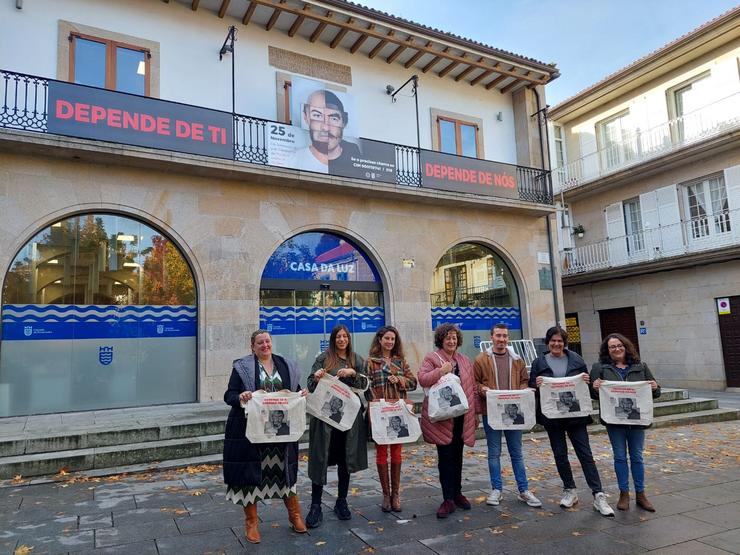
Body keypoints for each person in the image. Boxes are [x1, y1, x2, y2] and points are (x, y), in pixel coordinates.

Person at [222, 329, 308, 544]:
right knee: (250, 477)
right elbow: (229, 395)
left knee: (284, 473)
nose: (265, 345)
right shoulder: (243, 367)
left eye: (267, 341)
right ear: (253, 346)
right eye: (260, 343)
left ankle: (295, 515)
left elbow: (293, 391)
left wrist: (301, 394)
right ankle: (251, 523)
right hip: (252, 434)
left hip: (280, 433)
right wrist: (241, 397)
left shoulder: (285, 365)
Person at [529, 326, 615, 517]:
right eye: (553, 341)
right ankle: (570, 490)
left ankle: (598, 494)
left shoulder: (576, 359)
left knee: (585, 454)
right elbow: (531, 386)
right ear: (547, 342)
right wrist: (536, 384)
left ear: (564, 343)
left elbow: (588, 388)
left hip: (575, 417)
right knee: (560, 454)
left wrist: (586, 380)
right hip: (553, 418)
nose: (556, 344)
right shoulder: (539, 362)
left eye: (560, 341)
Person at [306, 324, 368, 528]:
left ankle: (341, 501)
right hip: (325, 421)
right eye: (338, 337)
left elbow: (366, 387)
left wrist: (353, 374)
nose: (341, 339)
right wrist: (315, 378)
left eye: (344, 336)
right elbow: (310, 385)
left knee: (345, 459)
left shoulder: (356, 360)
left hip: (348, 422)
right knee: (320, 459)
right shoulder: (323, 359)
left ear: (348, 339)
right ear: (333, 340)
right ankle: (316, 506)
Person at [590, 333, 660, 512]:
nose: (616, 349)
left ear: (626, 346)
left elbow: (655, 391)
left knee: (637, 456)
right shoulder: (600, 368)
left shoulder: (640, 366)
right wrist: (595, 387)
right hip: (615, 421)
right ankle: (624, 493)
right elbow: (593, 393)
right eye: (612, 347)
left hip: (636, 421)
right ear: (607, 350)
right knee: (620, 457)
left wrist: (655, 387)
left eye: (619, 345)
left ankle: (641, 494)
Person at [474, 323, 541, 508]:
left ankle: (523, 490)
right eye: (498, 336)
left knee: (516, 452)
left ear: (508, 338)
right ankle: (496, 489)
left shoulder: (517, 359)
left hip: (514, 411)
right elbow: (475, 382)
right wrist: (482, 389)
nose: (501, 339)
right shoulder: (481, 359)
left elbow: (524, 380)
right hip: (492, 411)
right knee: (494, 452)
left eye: (504, 336)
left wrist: (522, 389)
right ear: (491, 337)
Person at [419, 323, 477, 519]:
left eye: (454, 338)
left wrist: (475, 413)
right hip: (444, 418)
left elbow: (472, 388)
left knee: (458, 456)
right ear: (441, 340)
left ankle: (458, 493)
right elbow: (423, 379)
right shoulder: (432, 358)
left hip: (462, 416)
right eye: (447, 338)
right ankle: (447, 498)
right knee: (445, 458)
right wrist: (441, 371)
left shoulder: (465, 360)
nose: (451, 341)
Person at [365, 325, 418, 512]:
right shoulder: (371, 362)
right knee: (381, 453)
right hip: (381, 412)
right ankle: (386, 494)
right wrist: (376, 402)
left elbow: (413, 383)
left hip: (397, 413)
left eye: (393, 339)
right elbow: (365, 385)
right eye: (387, 338)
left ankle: (396, 494)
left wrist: (400, 380)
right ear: (380, 340)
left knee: (396, 452)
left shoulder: (400, 362)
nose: (390, 342)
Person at [294, 89, 361, 173]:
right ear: (306, 118)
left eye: (333, 118)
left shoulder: (355, 154)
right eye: (317, 116)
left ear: (343, 122)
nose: (326, 127)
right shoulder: (294, 160)